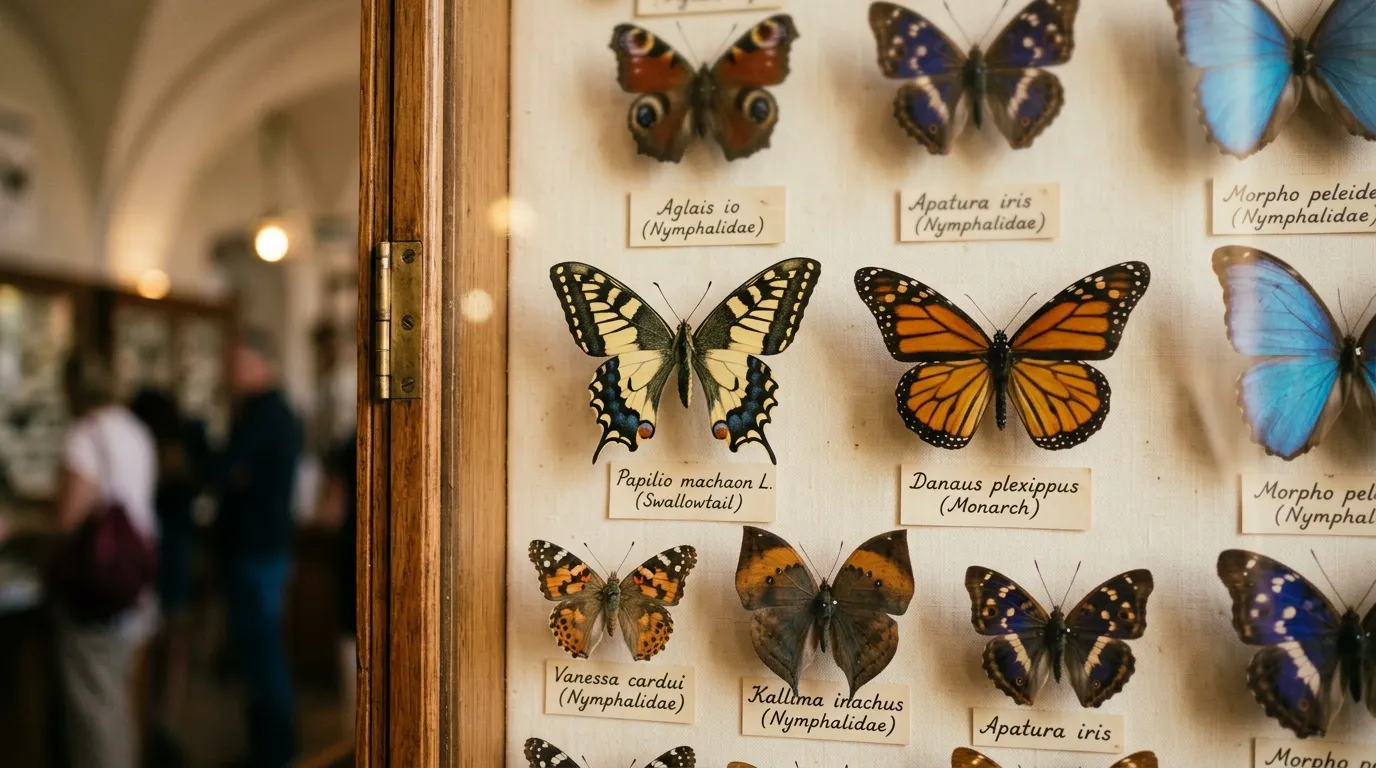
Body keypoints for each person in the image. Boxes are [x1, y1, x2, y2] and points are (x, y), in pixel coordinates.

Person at [53, 352, 159, 768]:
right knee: (115, 699)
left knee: (94, 708)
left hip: (98, 587)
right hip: (134, 579)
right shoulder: (135, 431)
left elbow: (68, 516)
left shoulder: (85, 435)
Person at [214, 331, 304, 768]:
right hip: (261, 547)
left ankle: (276, 752)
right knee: (256, 654)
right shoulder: (266, 412)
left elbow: (230, 469)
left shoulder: (269, 414)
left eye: (238, 362)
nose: (231, 372)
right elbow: (235, 473)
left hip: (260, 550)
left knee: (264, 652)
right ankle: (267, 749)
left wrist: (235, 475)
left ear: (259, 362)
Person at [130, 388, 209, 767]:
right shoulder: (181, 453)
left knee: (160, 639)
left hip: (162, 557)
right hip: (173, 556)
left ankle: (155, 724)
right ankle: (161, 723)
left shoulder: (165, 458)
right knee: (170, 642)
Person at [314, 428, 357, 739]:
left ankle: (353, 738)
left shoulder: (351, 443)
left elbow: (331, 510)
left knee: (351, 645)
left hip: (352, 554)